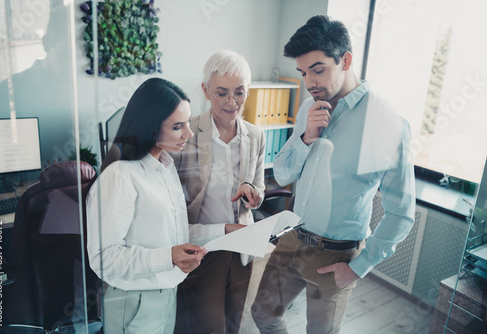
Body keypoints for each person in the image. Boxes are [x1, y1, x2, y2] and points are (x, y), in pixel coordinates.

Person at [251, 15, 416, 334]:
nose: (309, 82)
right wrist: (304, 139)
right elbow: (283, 174)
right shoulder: (307, 109)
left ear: (346, 60)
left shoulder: (387, 123)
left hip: (336, 256)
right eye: (302, 72)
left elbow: (401, 214)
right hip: (291, 238)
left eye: (318, 69)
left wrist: (358, 268)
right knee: (263, 314)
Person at [86, 78, 207, 334]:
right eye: (177, 126)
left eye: (188, 122)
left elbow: (174, 235)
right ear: (150, 127)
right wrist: (169, 257)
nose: (189, 133)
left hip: (165, 293)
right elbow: (103, 258)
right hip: (135, 299)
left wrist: (226, 231)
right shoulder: (120, 176)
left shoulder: (165, 165)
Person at [173, 50, 266, 334]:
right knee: (207, 326)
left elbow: (259, 188)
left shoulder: (255, 135)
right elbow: (173, 198)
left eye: (239, 93)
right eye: (222, 93)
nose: (231, 102)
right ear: (206, 91)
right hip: (204, 246)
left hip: (242, 248)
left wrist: (253, 191)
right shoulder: (186, 135)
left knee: (233, 321)